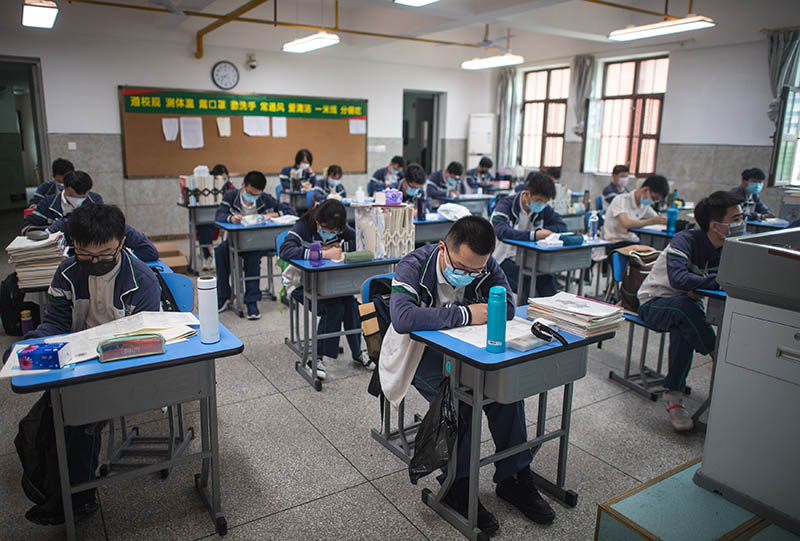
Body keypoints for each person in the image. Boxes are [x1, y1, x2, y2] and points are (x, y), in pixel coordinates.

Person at [384, 216, 555, 534]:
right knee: (460, 401)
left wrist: (479, 304)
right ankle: (456, 486)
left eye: (476, 270)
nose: (469, 275)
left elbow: (508, 306)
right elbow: (404, 317)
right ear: (443, 249)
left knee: (505, 393)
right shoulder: (415, 263)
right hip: (420, 354)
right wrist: (467, 313)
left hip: (465, 351)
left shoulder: (485, 264)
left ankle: (514, 477)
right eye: (461, 267)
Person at [20, 203, 161, 525]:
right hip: (79, 363)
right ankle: (64, 492)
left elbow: (147, 337)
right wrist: (31, 345)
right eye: (86, 255)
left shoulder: (142, 280)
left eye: (104, 254)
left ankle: (76, 497)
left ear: (121, 243)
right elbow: (54, 322)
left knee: (77, 420)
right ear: (74, 245)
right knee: (46, 421)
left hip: (124, 364)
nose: (95, 262)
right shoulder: (67, 272)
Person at [638, 191, 745, 432]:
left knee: (685, 322)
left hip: (685, 308)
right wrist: (718, 280)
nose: (741, 223)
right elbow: (678, 280)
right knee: (685, 310)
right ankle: (717, 355)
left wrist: (707, 282)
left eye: (741, 217)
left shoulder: (729, 247)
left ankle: (673, 395)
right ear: (715, 225)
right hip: (654, 302)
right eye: (736, 219)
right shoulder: (685, 240)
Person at [279, 199, 371, 378]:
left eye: (333, 231)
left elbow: (358, 244)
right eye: (324, 228)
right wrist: (322, 253)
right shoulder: (303, 226)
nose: (328, 233)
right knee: (334, 308)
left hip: (331, 284)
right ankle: (315, 357)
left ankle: (358, 352)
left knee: (351, 305)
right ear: (317, 221)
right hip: (301, 284)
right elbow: (285, 250)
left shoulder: (343, 229)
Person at [215, 171, 296, 320]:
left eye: (256, 194)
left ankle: (252, 301)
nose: (252, 197)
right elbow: (219, 215)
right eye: (250, 192)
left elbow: (290, 210)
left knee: (252, 256)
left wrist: (273, 215)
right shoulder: (231, 196)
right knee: (220, 252)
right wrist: (231, 218)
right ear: (243, 185)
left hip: (256, 244)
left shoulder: (265, 199)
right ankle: (224, 296)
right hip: (235, 241)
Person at [491, 172, 567, 298]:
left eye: (544, 202)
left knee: (548, 281)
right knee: (527, 285)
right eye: (538, 200)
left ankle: (551, 316)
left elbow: (561, 226)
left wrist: (546, 231)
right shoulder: (505, 205)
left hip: (530, 258)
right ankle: (530, 315)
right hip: (502, 258)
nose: (541, 204)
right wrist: (534, 235)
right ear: (527, 194)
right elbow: (502, 232)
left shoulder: (543, 209)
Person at [47, 215, 158, 262]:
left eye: (105, 252)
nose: (95, 260)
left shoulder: (113, 226)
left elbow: (150, 252)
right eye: (85, 252)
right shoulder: (64, 225)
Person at [601, 174, 669, 250]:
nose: (653, 202)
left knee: (655, 250)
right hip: (616, 243)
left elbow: (657, 218)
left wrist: (668, 221)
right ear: (646, 190)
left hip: (632, 241)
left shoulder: (644, 205)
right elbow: (626, 224)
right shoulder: (621, 200)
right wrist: (651, 221)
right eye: (653, 198)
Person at [23, 170, 103, 233]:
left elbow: (104, 228)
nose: (80, 198)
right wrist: (52, 230)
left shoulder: (95, 200)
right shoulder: (48, 203)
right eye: (75, 194)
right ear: (64, 187)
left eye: (85, 194)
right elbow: (26, 228)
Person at [196, 164, 235, 270]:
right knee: (202, 227)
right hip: (209, 218)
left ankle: (211, 255)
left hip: (223, 219)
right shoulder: (208, 186)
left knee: (208, 227)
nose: (223, 179)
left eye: (225, 176)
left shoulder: (230, 187)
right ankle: (208, 255)